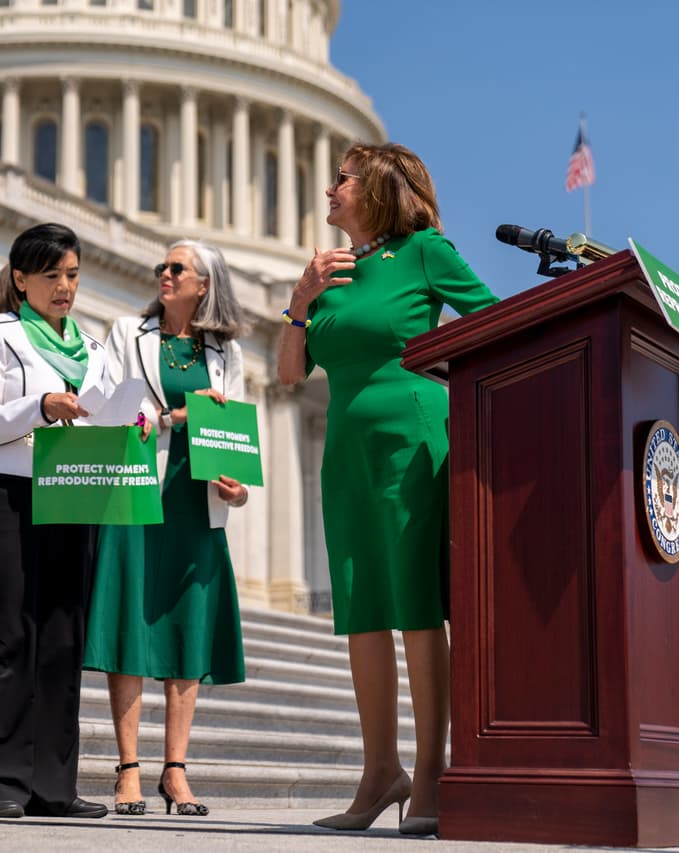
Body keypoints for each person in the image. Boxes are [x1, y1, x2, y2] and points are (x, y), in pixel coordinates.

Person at [277, 143, 498, 835]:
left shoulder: (426, 251)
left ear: (376, 188)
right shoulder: (331, 273)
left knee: (415, 604)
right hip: (346, 450)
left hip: (413, 439)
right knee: (362, 609)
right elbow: (289, 373)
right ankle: (381, 773)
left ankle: (433, 771)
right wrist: (300, 299)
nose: (330, 187)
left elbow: (496, 321)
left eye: (342, 177)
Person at [84, 239, 250, 817]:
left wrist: (240, 486)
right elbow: (107, 407)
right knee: (131, 621)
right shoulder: (126, 332)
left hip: (196, 499)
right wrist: (172, 417)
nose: (165, 273)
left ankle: (175, 769)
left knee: (186, 628)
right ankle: (128, 769)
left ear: (204, 284)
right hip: (135, 489)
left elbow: (238, 435)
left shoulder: (227, 353)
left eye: (178, 268)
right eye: (163, 265)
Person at [0, 223, 108, 820]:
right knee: (5, 635)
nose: (65, 287)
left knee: (61, 640)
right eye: (52, 276)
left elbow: (102, 420)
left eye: (72, 275)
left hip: (75, 495)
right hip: (9, 495)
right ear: (21, 280)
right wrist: (40, 407)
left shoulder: (94, 348)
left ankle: (53, 785)